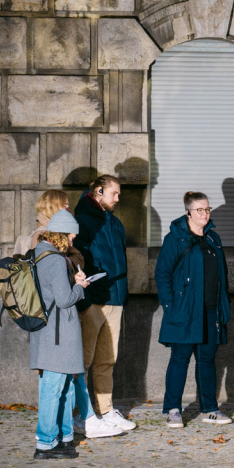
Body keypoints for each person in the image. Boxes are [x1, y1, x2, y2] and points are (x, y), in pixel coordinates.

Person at [154, 191, 232, 427]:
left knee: (207, 361)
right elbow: (162, 274)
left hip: (210, 312)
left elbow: (222, 276)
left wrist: (223, 307)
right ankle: (173, 410)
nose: (205, 214)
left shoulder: (213, 239)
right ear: (187, 212)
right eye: (200, 210)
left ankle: (210, 409)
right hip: (184, 312)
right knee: (180, 359)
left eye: (207, 209)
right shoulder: (175, 238)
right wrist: (170, 307)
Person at [20, 190, 92, 440]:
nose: (74, 239)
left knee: (64, 387)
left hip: (55, 333)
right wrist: (80, 287)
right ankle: (47, 441)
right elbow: (64, 299)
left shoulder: (45, 254)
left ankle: (63, 437)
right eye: (71, 234)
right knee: (53, 388)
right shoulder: (53, 259)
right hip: (57, 334)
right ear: (62, 233)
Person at [73, 175, 135, 438]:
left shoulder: (115, 223)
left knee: (107, 359)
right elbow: (77, 261)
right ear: (98, 191)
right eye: (114, 193)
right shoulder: (83, 220)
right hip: (93, 300)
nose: (118, 199)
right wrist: (84, 301)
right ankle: (80, 415)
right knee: (83, 361)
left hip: (115, 298)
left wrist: (123, 295)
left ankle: (106, 410)